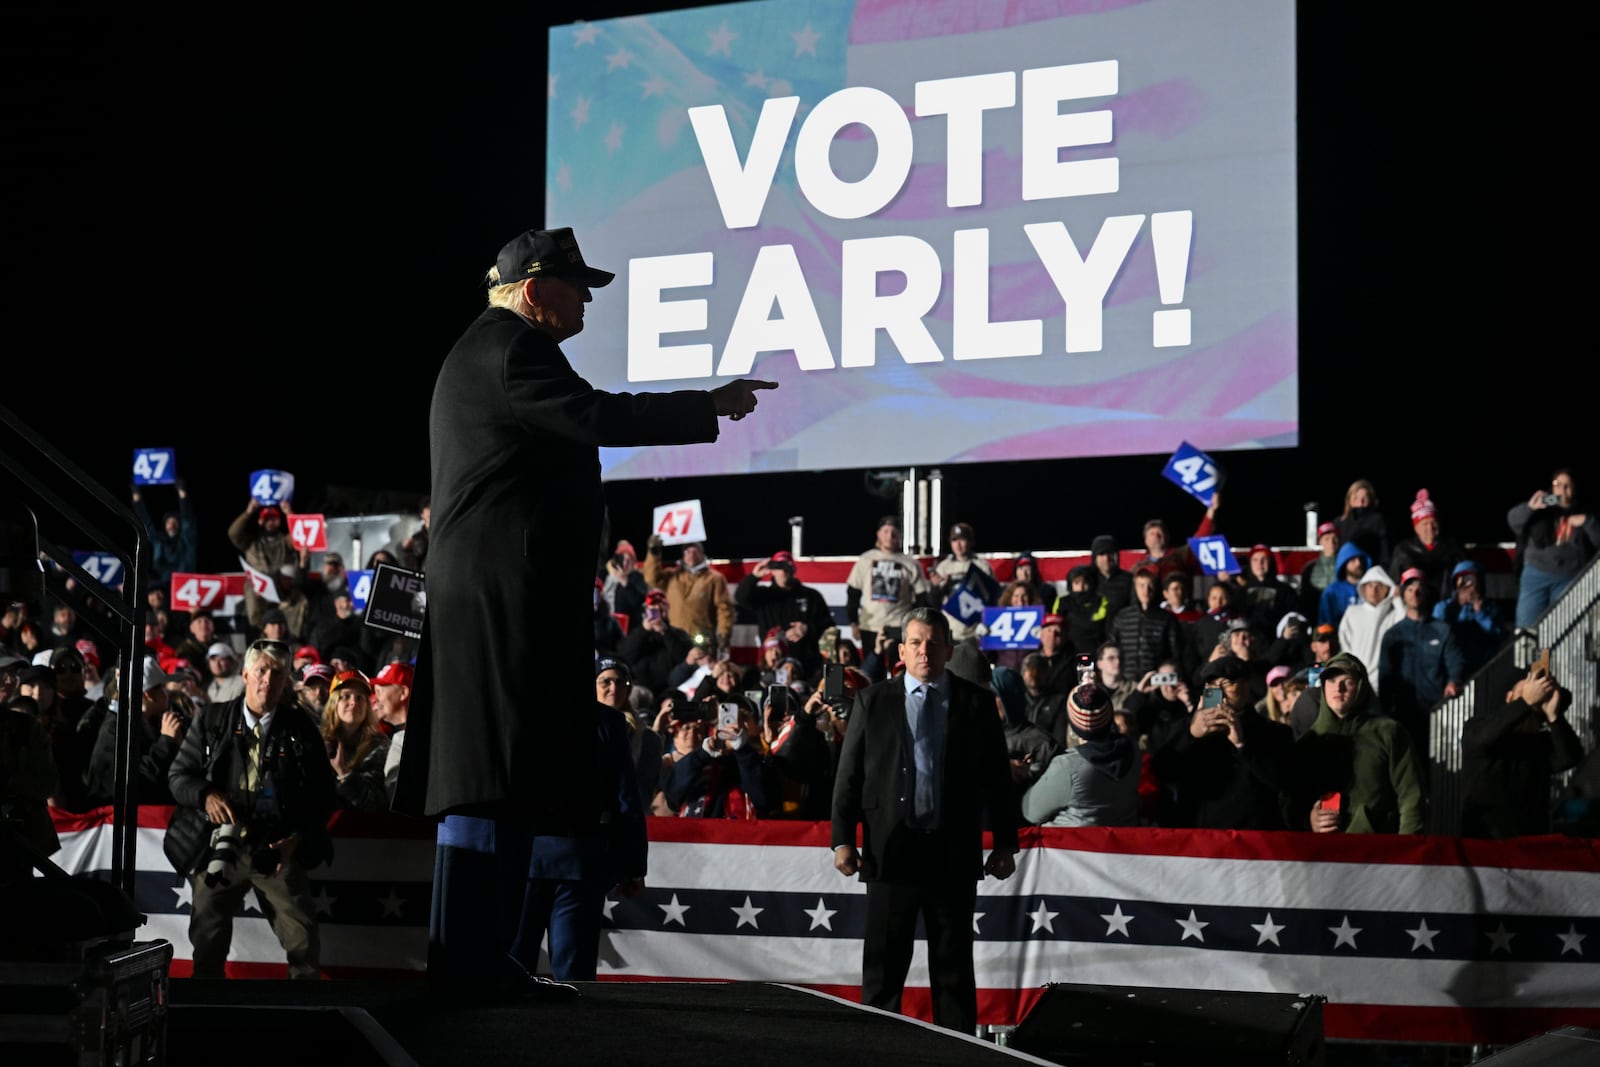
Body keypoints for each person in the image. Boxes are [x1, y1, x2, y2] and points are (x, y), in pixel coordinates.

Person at [394, 225, 776, 999]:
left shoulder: (494, 347)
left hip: (508, 598)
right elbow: (600, 417)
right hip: (501, 601)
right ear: (535, 291)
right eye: (579, 287)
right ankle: (465, 967)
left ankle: (483, 962)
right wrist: (709, 404)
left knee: (508, 782)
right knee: (486, 782)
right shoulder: (510, 348)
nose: (590, 303)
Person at [830, 608, 1019, 1034]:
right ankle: (877, 1054)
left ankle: (959, 1056)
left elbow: (997, 781)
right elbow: (849, 777)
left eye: (933, 642)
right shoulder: (872, 700)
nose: (924, 651)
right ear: (901, 650)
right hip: (890, 854)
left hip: (951, 856)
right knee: (883, 974)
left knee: (953, 973)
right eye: (915, 642)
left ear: (949, 649)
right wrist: (842, 840)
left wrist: (1006, 843)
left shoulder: (976, 703)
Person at [166, 639, 336, 979]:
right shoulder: (212, 719)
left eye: (277, 673)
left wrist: (297, 840)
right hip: (221, 842)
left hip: (275, 846)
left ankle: (306, 1015)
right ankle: (205, 1012)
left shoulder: (300, 728)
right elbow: (179, 775)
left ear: (286, 679)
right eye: (261, 671)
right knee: (207, 934)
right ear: (245, 674)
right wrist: (206, 795)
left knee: (302, 936)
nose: (267, 681)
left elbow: (323, 793)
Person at [508, 672, 648, 984]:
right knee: (574, 980)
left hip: (523, 857)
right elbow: (627, 800)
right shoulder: (607, 722)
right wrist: (633, 866)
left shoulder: (516, 714)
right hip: (580, 860)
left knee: (512, 972)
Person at [1148, 655, 1294, 829]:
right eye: (1212, 687)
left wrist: (1243, 745)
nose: (1219, 693)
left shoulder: (1273, 732)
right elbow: (1162, 772)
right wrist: (1191, 735)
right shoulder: (1187, 727)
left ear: (1246, 686)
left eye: (1226, 684)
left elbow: (1284, 782)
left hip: (1253, 838)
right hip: (1203, 839)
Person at [1293, 652, 1426, 834]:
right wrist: (1308, 820)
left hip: (1379, 853)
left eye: (1347, 681)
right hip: (1324, 855)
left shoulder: (1389, 733)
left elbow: (1411, 795)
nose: (1338, 688)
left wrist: (1406, 849)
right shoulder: (1308, 743)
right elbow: (1290, 802)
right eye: (1331, 680)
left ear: (1361, 686)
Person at [1460, 658, 1585, 838]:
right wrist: (1524, 702)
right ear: (1509, 697)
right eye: (1527, 689)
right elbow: (1482, 739)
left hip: (1529, 845)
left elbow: (1570, 757)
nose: (1536, 696)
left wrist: (1554, 717)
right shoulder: (1478, 726)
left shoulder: (1540, 742)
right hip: (1485, 844)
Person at [1021, 681, 1140, 827]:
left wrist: (1031, 774)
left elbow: (1030, 812)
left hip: (1074, 846)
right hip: (1120, 843)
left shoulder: (1068, 766)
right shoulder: (1132, 749)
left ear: (1073, 723)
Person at [1378, 567, 1464, 756]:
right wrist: (1384, 711)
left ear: (1426, 592)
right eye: (1409, 589)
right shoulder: (1393, 635)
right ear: (1402, 594)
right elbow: (1385, 675)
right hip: (1402, 712)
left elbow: (1454, 662)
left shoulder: (1442, 630)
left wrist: (1453, 681)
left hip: (1436, 710)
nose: (1414, 593)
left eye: (1419, 588)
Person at [1508, 470, 1598, 629]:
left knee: (1559, 629)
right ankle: (1534, 655)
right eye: (1558, 485)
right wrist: (1530, 507)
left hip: (1567, 578)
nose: (1562, 490)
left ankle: (1549, 655)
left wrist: (1588, 521)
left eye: (1567, 486)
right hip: (1535, 573)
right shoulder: (1543, 505)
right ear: (1552, 487)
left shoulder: (1584, 509)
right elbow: (1513, 522)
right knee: (1527, 627)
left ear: (1574, 489)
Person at [734, 550, 834, 675]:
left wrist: (807, 628)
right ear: (773, 570)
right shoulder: (764, 596)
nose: (784, 571)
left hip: (806, 665)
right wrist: (754, 576)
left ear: (794, 569)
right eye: (780, 566)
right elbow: (741, 597)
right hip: (773, 664)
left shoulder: (811, 596)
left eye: (788, 566)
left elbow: (828, 624)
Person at [844, 515, 930, 657]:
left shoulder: (910, 563)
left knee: (899, 671)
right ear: (878, 534)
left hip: (899, 626)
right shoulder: (866, 559)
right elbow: (853, 593)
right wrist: (853, 622)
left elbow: (922, 597)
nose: (890, 536)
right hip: (870, 626)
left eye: (894, 532)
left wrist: (912, 623)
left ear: (900, 535)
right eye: (885, 531)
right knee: (871, 672)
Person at [641, 537, 735, 659]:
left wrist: (724, 634)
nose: (691, 554)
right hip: (673, 637)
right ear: (683, 556)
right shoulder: (672, 575)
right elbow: (651, 578)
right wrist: (654, 552)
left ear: (702, 554)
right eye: (687, 551)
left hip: (701, 638)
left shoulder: (715, 578)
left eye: (695, 551)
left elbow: (724, 609)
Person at [227, 499, 298, 635]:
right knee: (254, 611)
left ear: (279, 521)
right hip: (258, 588)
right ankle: (259, 635)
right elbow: (233, 534)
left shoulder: (285, 541)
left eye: (274, 519)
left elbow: (301, 536)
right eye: (267, 519)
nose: (270, 522)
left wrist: (289, 513)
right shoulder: (251, 542)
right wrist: (249, 512)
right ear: (260, 521)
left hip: (281, 589)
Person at [1388, 489, 1467, 606]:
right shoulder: (1403, 549)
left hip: (1447, 605)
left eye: (1433, 522)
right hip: (1414, 606)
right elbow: (1394, 581)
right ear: (1416, 528)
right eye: (1425, 523)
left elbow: (1465, 574)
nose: (1430, 527)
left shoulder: (1453, 547)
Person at [1432, 559, 1507, 678]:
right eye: (1461, 579)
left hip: (1481, 668)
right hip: (1451, 668)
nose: (1466, 584)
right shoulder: (1443, 607)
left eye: (1470, 579)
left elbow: (1499, 635)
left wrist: (1480, 612)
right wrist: (1457, 605)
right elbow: (1436, 635)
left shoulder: (1490, 608)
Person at [1336, 565, 1402, 690]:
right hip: (1356, 678)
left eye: (1379, 586)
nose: (1374, 590)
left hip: (1383, 681)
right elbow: (1345, 642)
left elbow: (1404, 626)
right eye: (1369, 586)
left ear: (1388, 588)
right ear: (1363, 588)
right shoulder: (1352, 612)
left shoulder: (1393, 614)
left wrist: (1397, 600)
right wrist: (1351, 671)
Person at [929, 522, 995, 642]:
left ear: (971, 541)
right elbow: (933, 603)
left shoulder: (982, 566)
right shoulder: (943, 567)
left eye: (962, 540)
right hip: (950, 630)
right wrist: (935, 588)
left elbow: (993, 599)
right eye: (954, 540)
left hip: (974, 632)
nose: (958, 545)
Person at [131, 479, 198, 587]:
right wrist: (136, 494)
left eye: (175, 522)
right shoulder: (159, 541)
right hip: (163, 586)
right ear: (164, 525)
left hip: (185, 584)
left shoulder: (186, 541)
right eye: (168, 522)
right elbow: (146, 522)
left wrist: (182, 493)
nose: (171, 524)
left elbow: (188, 522)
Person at [1333, 478, 1390, 571]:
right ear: (1349, 500)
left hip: (1369, 570)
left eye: (1365, 497)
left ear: (1371, 500)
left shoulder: (1378, 520)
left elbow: (1385, 552)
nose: (1361, 501)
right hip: (1344, 570)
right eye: (1356, 497)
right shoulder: (1339, 522)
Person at [1297, 521, 1343, 619]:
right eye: (1326, 539)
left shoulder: (1345, 565)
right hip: (1316, 618)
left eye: (1335, 538)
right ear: (1320, 541)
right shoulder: (1310, 568)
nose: (1331, 543)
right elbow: (1305, 598)